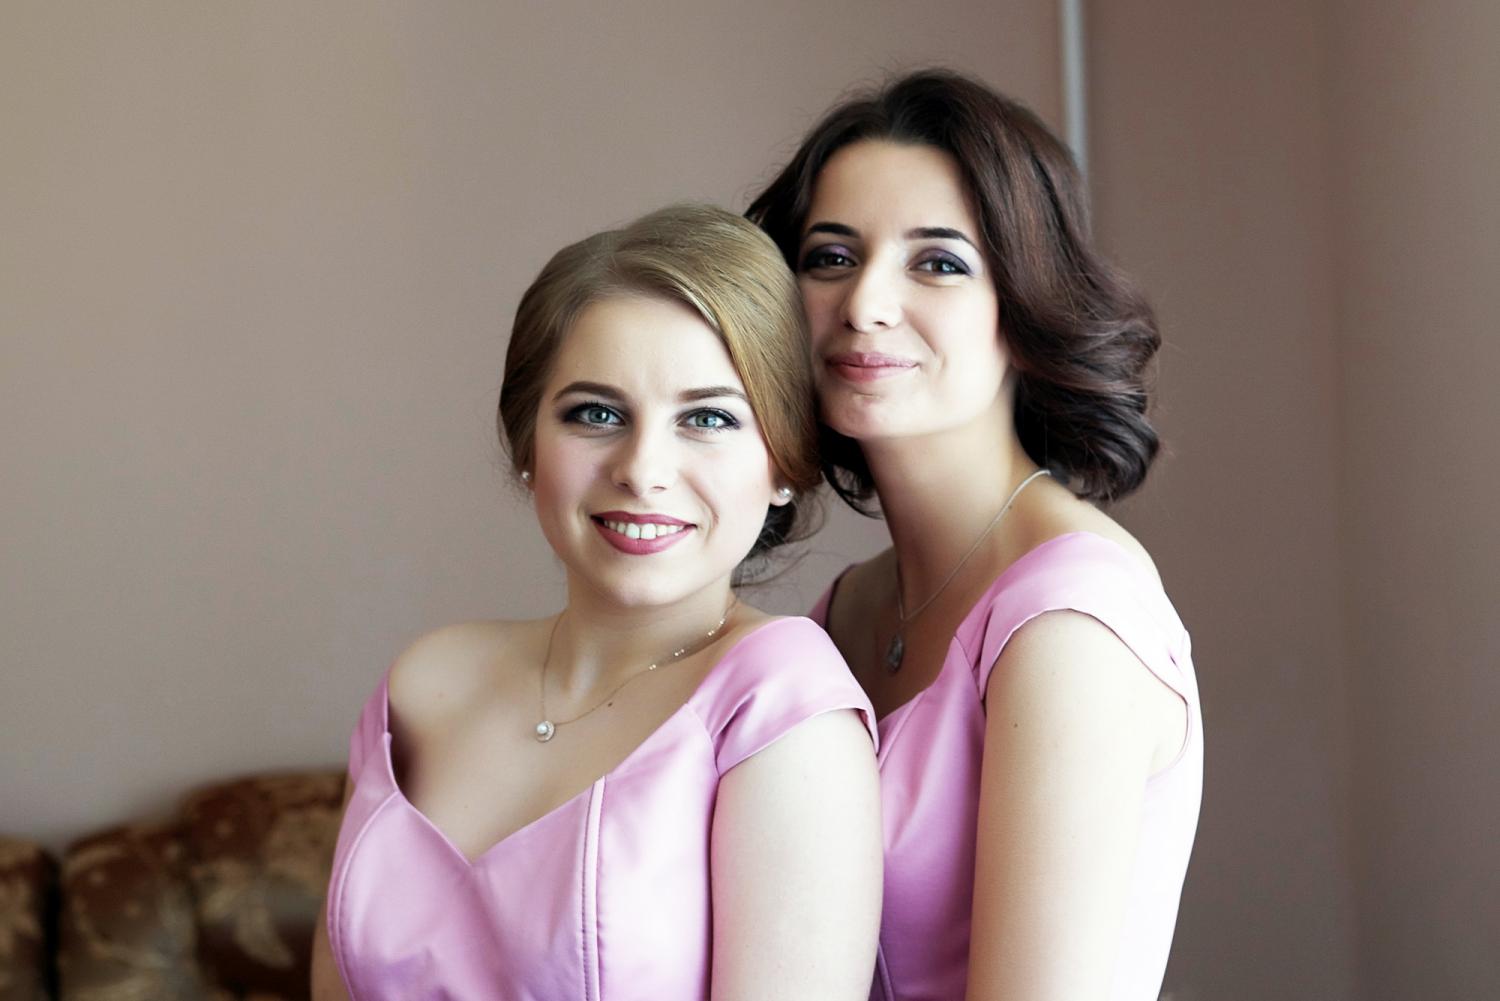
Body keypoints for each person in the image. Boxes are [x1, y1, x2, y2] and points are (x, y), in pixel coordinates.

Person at [310, 204, 883, 1000]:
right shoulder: (424, 682)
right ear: (528, 444)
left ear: (784, 459)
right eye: (597, 413)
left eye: (708, 417)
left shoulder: (783, 706)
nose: (643, 468)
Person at [747, 70, 1202, 1001]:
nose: (865, 303)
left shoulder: (1070, 622)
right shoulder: (844, 612)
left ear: (1022, 306)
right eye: (831, 256)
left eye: (938, 263)